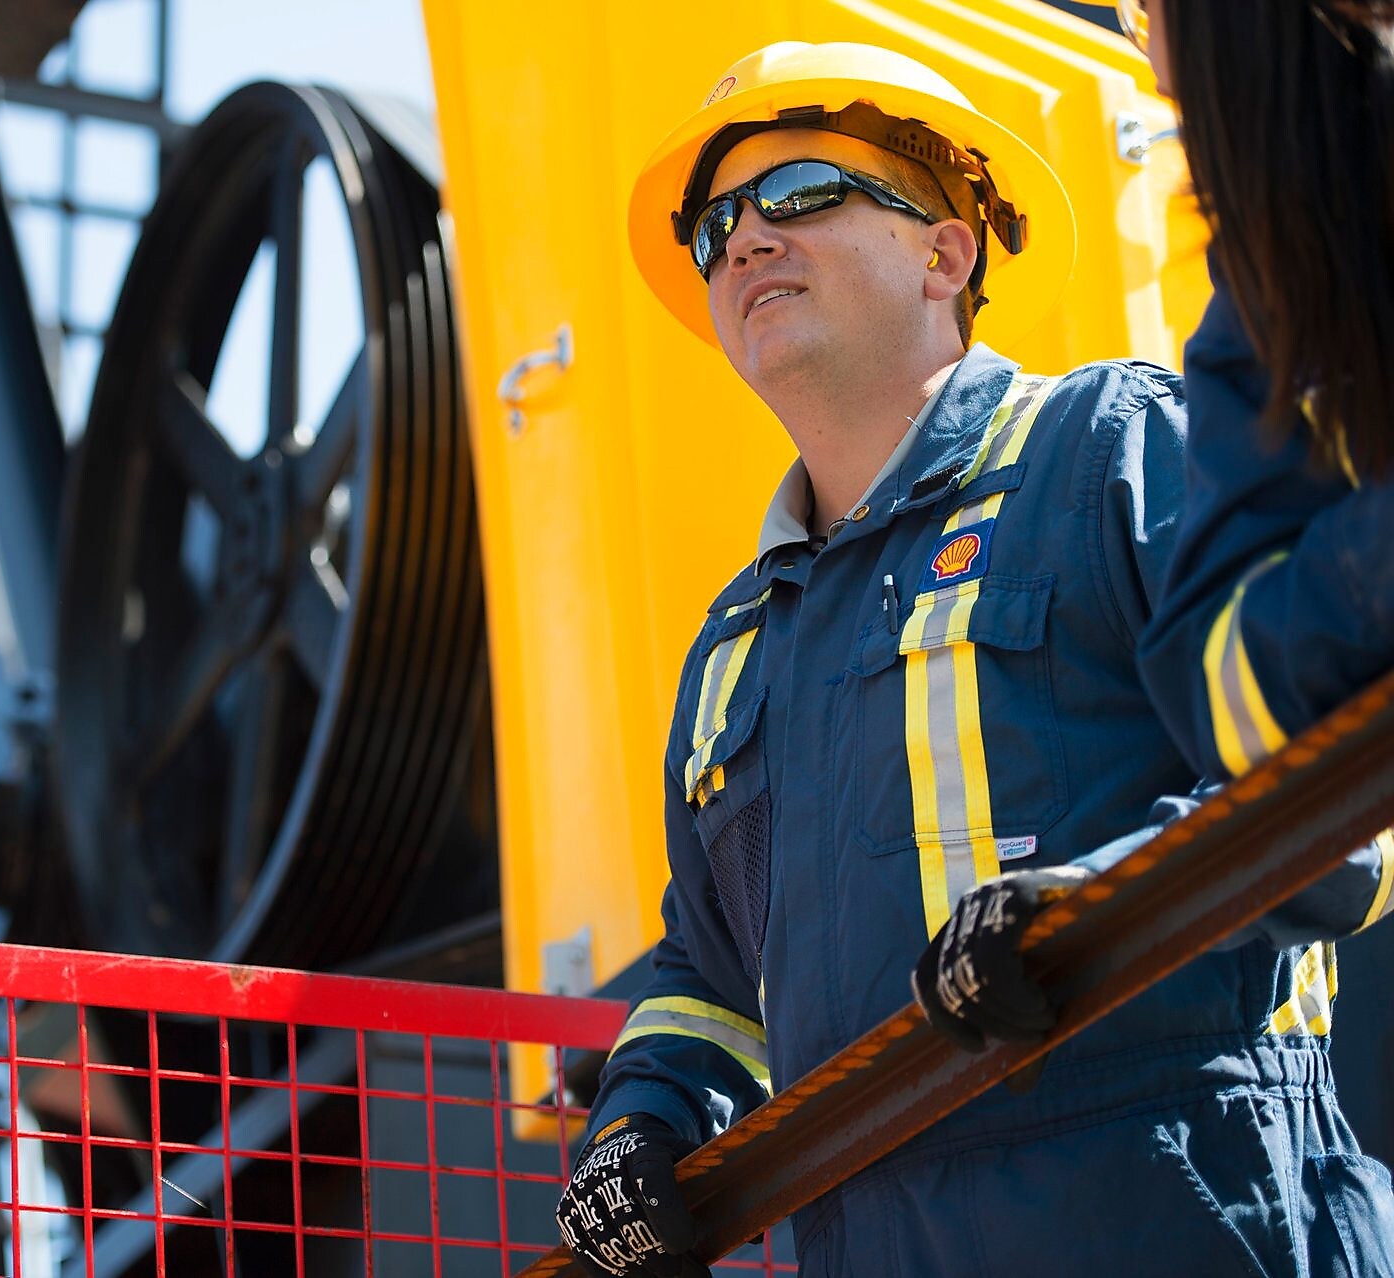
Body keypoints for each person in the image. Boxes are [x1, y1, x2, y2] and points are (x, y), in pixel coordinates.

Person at [554, 40, 1388, 1278]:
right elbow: (711, 975)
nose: (744, 240)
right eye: (717, 225)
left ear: (946, 253)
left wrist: (1099, 912)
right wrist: (642, 1118)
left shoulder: (1113, 451)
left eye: (797, 195)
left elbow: (1341, 785)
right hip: (876, 1234)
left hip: (1186, 1202)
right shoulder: (735, 648)